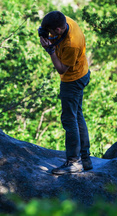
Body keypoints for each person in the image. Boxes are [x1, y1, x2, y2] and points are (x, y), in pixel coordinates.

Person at [39, 11, 92, 175]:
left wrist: (50, 51)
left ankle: (74, 162)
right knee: (77, 115)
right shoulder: (66, 21)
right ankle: (86, 159)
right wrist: (43, 33)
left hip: (73, 80)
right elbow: (51, 31)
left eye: (51, 32)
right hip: (82, 73)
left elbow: (61, 68)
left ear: (58, 30)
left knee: (69, 119)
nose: (49, 34)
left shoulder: (71, 44)